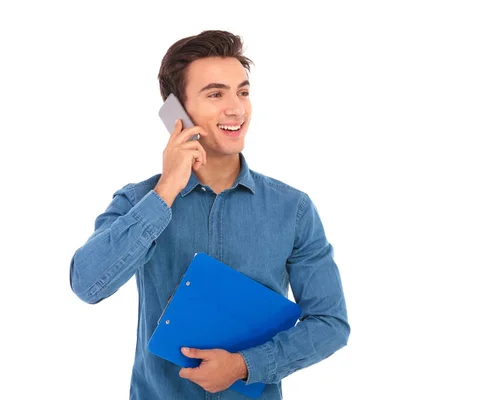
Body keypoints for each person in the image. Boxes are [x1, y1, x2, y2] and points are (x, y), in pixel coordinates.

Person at [69, 30, 350, 399]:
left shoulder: (292, 209)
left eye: (243, 92)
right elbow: (88, 284)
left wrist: (246, 365)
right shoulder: (139, 200)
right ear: (177, 113)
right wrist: (166, 188)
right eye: (216, 94)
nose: (236, 108)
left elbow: (331, 324)